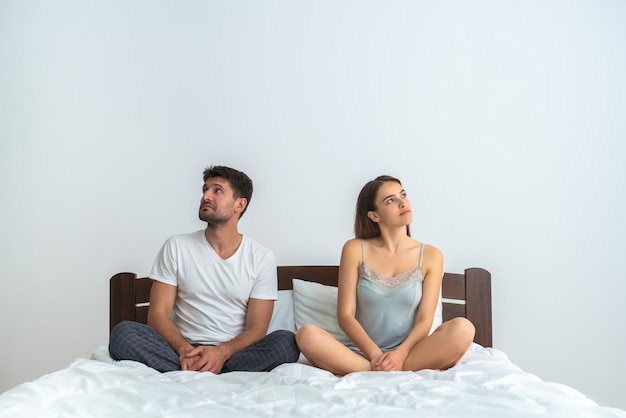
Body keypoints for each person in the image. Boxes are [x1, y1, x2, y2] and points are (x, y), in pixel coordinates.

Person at [109, 165, 300, 373]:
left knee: (287, 342)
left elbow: (257, 328)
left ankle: (206, 369)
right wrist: (184, 350)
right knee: (123, 333)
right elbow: (157, 314)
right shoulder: (177, 246)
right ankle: (196, 366)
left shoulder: (261, 257)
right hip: (179, 349)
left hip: (233, 354)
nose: (206, 196)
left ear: (240, 204)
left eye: (217, 190)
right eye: (205, 190)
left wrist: (221, 353)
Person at [295, 175, 475, 375]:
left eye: (403, 195)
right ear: (374, 216)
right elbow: (345, 316)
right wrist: (375, 356)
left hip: (410, 354)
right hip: (361, 354)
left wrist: (399, 354)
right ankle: (381, 370)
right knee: (306, 334)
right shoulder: (355, 249)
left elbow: (425, 320)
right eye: (390, 200)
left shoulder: (432, 255)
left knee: (463, 328)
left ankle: (386, 370)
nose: (402, 202)